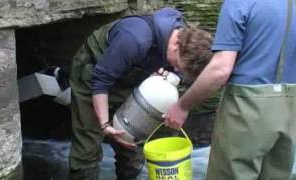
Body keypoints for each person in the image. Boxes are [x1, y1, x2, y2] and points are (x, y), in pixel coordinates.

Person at [164, 0, 296, 179]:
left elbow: (220, 70)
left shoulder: (240, 3)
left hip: (248, 110)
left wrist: (182, 106)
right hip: (293, 110)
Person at [69, 7, 213, 180]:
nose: (175, 70)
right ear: (175, 45)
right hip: (93, 74)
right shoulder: (135, 39)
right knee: (87, 152)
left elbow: (182, 72)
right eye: (176, 65)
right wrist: (105, 125)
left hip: (130, 78)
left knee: (132, 153)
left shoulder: (185, 39)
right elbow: (100, 81)